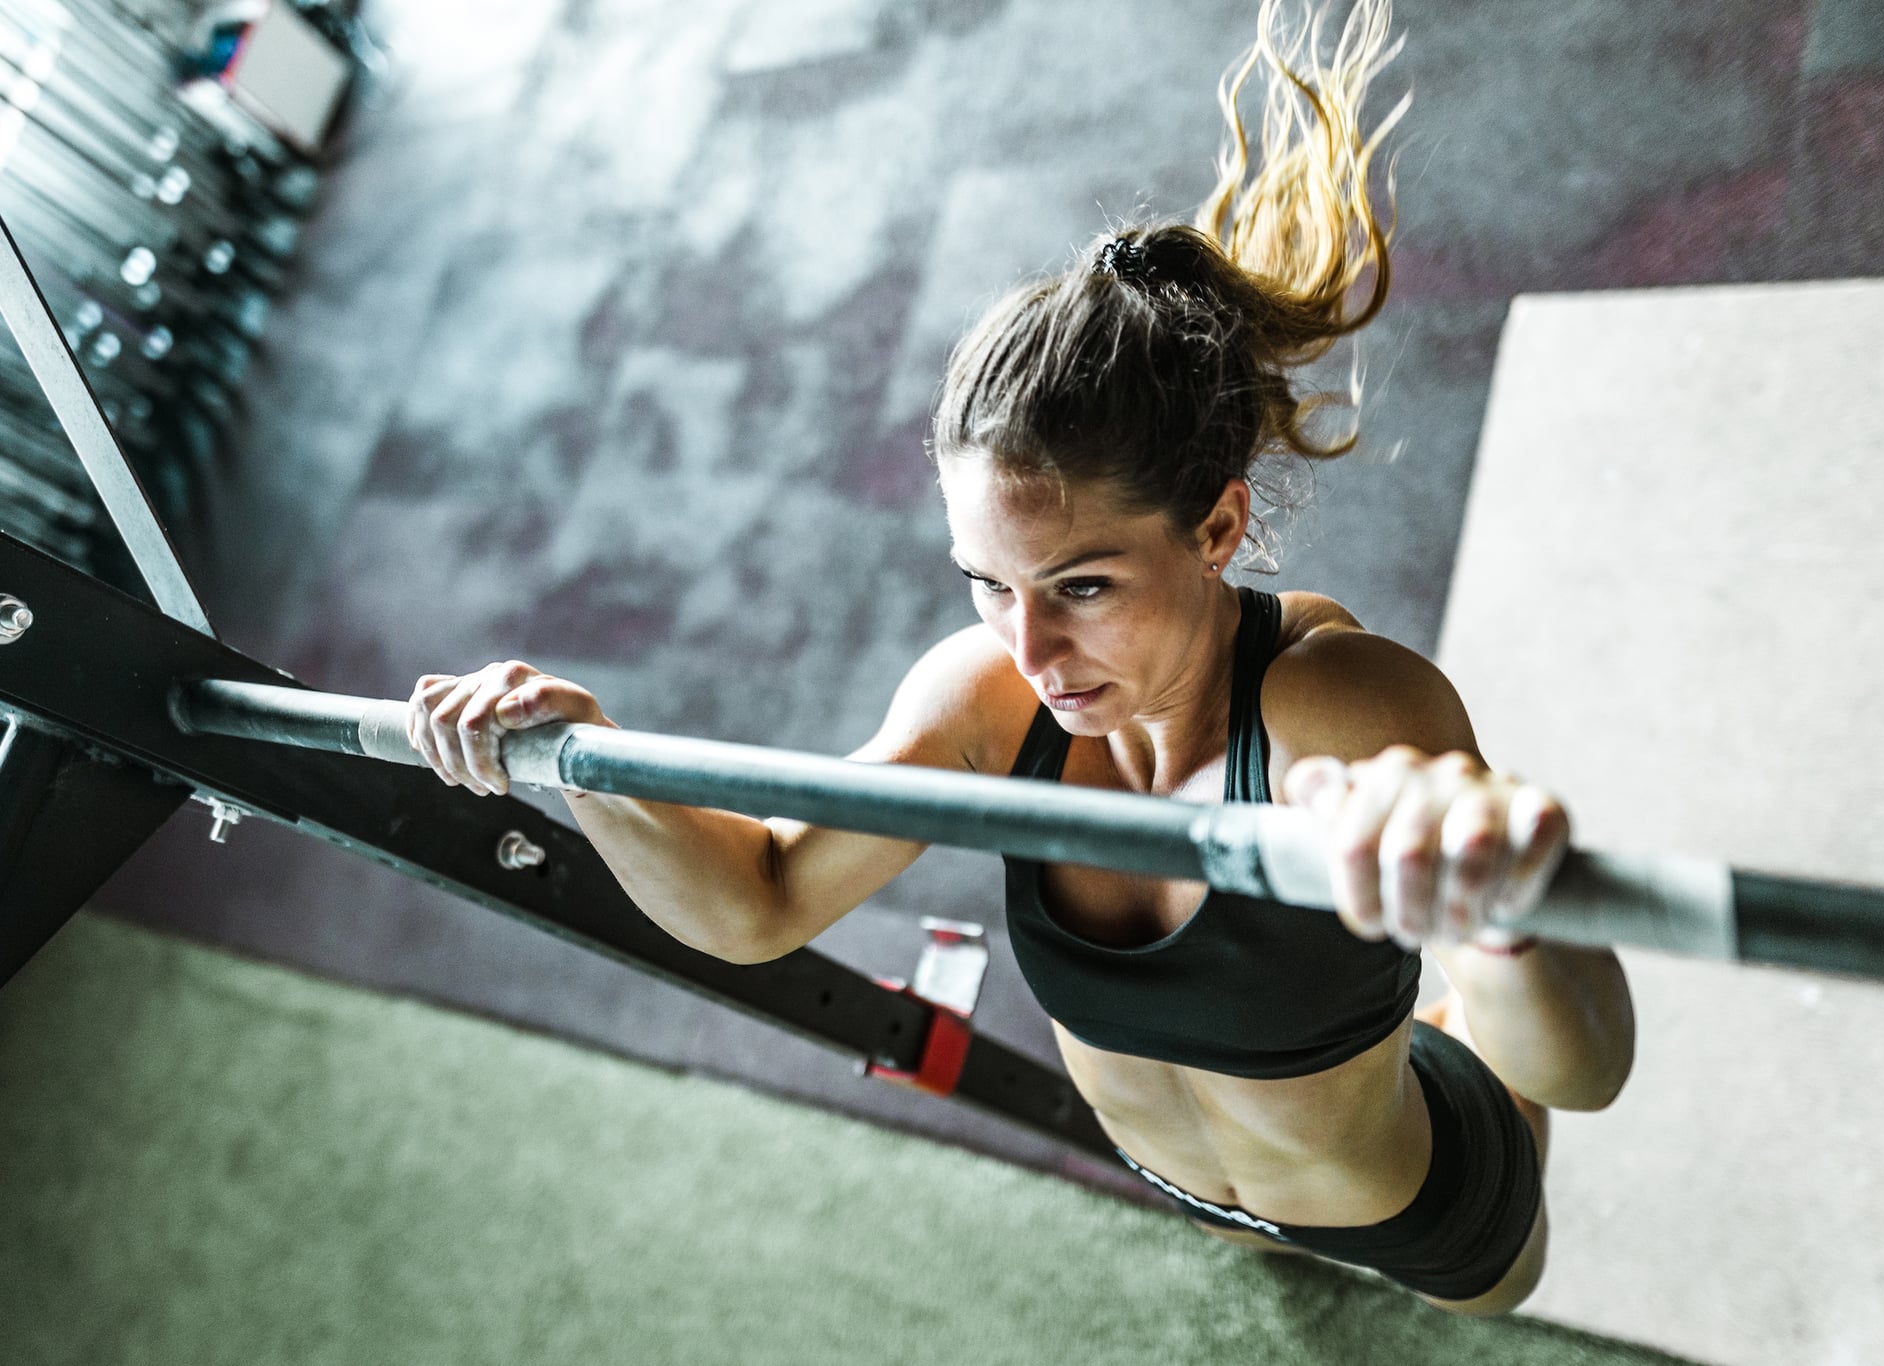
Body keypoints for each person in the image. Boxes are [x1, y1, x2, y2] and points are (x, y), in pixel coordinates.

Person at [404, 0, 1634, 1316]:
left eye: (1083, 584)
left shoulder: (1339, 702)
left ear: (1218, 525)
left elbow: (1586, 1065)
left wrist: (1499, 921)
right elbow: (757, 901)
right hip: (1199, 1184)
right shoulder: (987, 695)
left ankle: (1436, 1036)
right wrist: (586, 761)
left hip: (1426, 1199)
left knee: (1498, 1278)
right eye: (987, 585)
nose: (1032, 647)